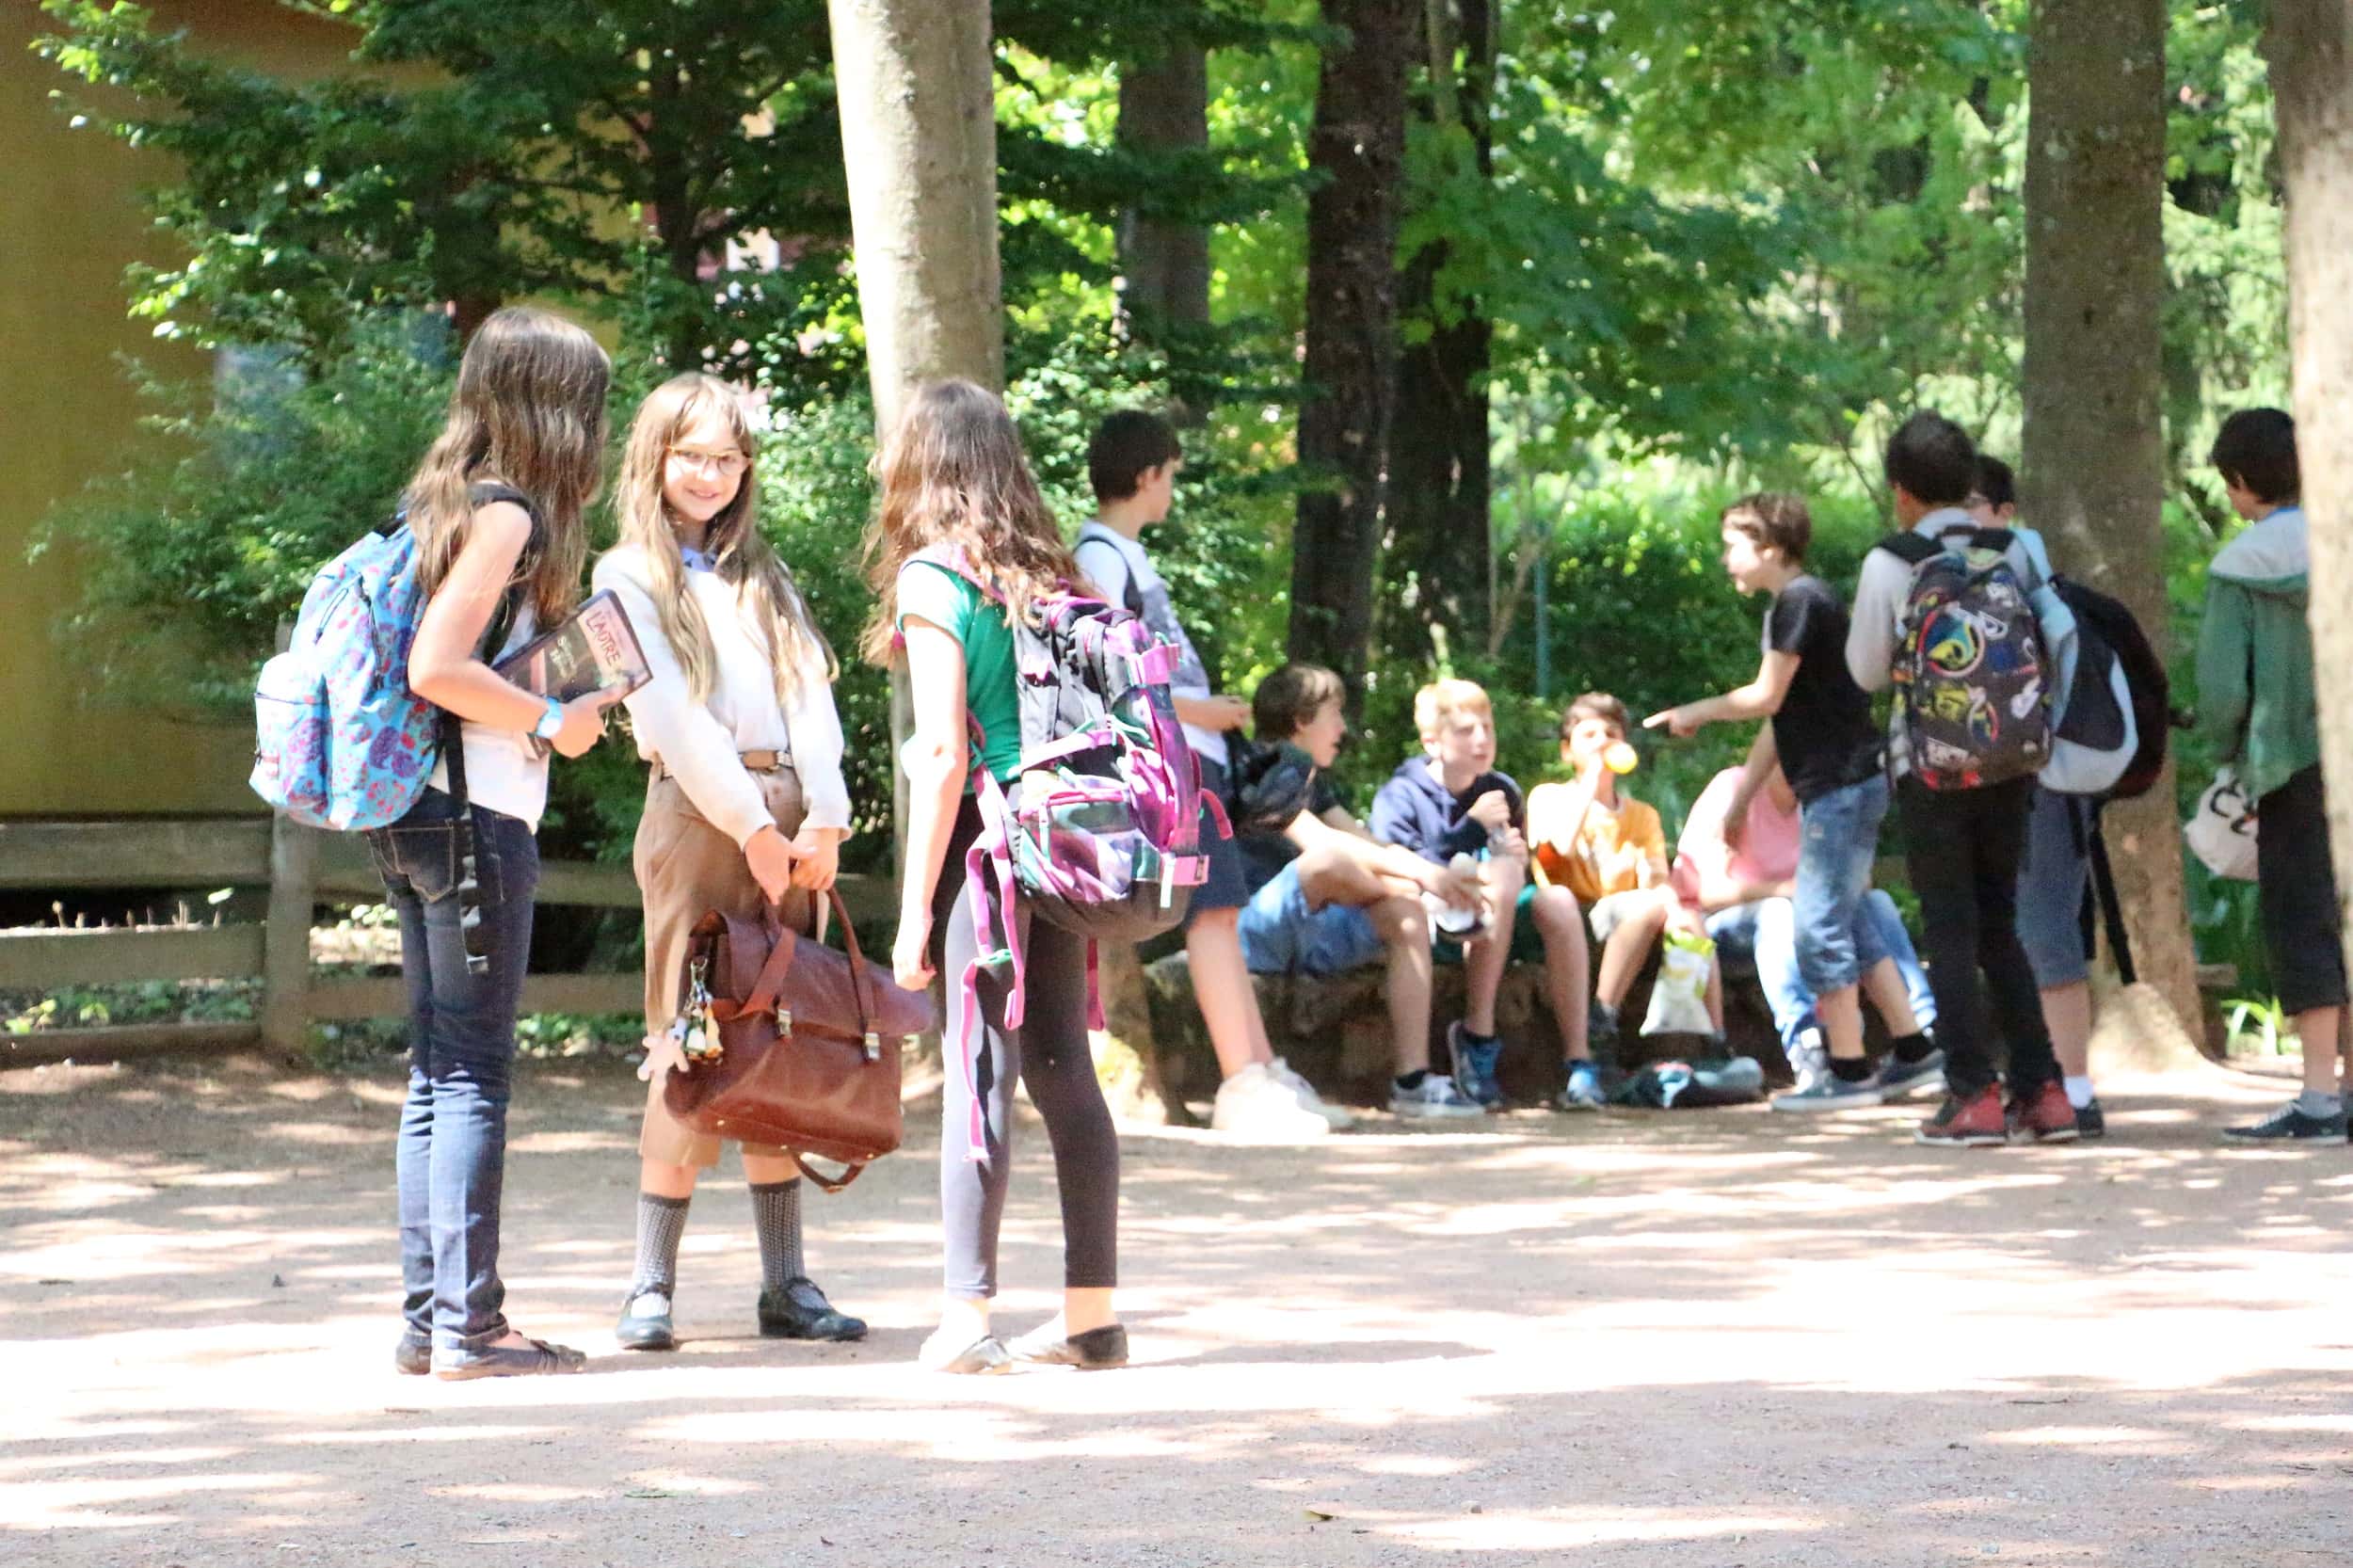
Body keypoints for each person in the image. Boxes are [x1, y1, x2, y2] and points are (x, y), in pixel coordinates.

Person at [595, 374, 865, 1353]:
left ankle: (786, 1282)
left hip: (789, 817)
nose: (709, 473)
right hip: (702, 818)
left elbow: (812, 705)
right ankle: (650, 1286)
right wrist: (751, 824)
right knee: (688, 1033)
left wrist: (824, 819)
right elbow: (666, 715)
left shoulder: (766, 578)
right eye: (691, 454)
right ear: (655, 458)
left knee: (775, 1032)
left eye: (726, 456)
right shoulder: (621, 579)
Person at [376, 306, 619, 1379]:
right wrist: (555, 720)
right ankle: (472, 1327)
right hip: (476, 814)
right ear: (556, 410)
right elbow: (436, 665)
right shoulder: (508, 515)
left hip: (414, 812)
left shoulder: (436, 501)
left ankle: (432, 1321)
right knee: (471, 1073)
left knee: (438, 1071)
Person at [866, 379, 1127, 1374]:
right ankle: (1092, 1312)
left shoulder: (936, 578)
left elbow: (940, 757)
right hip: (1072, 841)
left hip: (996, 851)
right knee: (1065, 1068)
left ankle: (967, 1314)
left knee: (977, 1071)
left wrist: (907, 923)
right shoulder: (1051, 575)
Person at [1073, 410, 1342, 1139]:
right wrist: (1202, 711)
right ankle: (1242, 1083)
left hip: (1191, 759)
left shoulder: (1127, 555)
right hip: (1170, 761)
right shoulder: (1101, 557)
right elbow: (1106, 675)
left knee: (1220, 906)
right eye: (1171, 475)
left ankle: (1260, 1066)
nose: (1172, 491)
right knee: (1212, 913)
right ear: (1146, 475)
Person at [1846, 411, 2074, 1146]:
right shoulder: (2012, 550)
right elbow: (2053, 638)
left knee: (1950, 927)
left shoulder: (1892, 560)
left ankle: (1973, 1093)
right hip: (2012, 761)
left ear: (1901, 490)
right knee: (2000, 922)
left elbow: (1867, 670)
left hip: (1932, 769)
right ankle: (2045, 1094)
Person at [1648, 494, 1917, 1109]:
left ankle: (1846, 1074)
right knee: (1843, 917)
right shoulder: (1803, 605)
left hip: (1840, 787)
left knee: (1819, 924)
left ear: (1770, 547)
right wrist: (1741, 798)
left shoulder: (1798, 602)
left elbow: (1766, 698)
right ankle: (1912, 1047)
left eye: (1733, 546)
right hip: (1847, 782)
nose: (1726, 561)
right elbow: (1783, 720)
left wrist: (1697, 711)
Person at [1235, 664, 1491, 1109]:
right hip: (1253, 931)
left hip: (1314, 929)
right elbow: (1325, 847)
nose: (1342, 728)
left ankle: (1412, 1082)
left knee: (1405, 914)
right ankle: (1426, 905)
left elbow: (1366, 843)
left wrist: (1423, 885)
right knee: (1330, 863)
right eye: (1334, 715)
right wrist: (1425, 879)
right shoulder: (1262, 767)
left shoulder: (1316, 780)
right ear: (1301, 719)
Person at [2197, 408, 2348, 1144]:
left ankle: (2319, 1098)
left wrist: (2223, 753)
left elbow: (2224, 686)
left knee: (2304, 920)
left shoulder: (2241, 567)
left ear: (2242, 481)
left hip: (2290, 763)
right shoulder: (2341, 546)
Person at [1375, 679, 1595, 1113]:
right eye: (1465, 731)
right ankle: (1477, 1035)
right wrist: (1470, 830)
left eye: (1487, 728)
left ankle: (1580, 1061)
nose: (1481, 740)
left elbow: (1515, 862)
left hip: (1498, 912)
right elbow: (1403, 867)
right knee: (1502, 875)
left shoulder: (1502, 790)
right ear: (1432, 742)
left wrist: (1516, 854)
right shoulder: (1400, 794)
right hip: (1436, 915)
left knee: (1560, 902)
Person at [1673, 761, 1942, 1106]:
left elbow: (1860, 883)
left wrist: (1834, 884)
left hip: (1804, 923)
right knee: (1779, 911)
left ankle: (1923, 1039)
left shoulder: (1821, 801)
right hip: (1724, 929)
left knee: (1876, 903)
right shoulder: (1732, 789)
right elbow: (1710, 892)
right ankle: (1806, 1049)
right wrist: (1791, 889)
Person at [1969, 456, 2104, 1137]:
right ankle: (2051, 1085)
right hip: (2004, 774)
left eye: (1975, 503)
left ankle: (2071, 1087)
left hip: (2044, 774)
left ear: (2005, 511)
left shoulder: (2027, 572)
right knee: (2023, 928)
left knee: (2047, 926)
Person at [1529, 692, 1722, 1090]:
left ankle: (1715, 1041)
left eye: (1611, 734)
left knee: (1688, 917)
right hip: (1573, 914)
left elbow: (1656, 886)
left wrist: (1659, 885)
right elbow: (1558, 850)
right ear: (1567, 751)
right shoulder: (1549, 797)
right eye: (1589, 735)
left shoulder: (1642, 815)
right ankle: (1601, 1021)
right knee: (1654, 908)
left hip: (1632, 919)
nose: (1602, 741)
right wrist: (1590, 783)